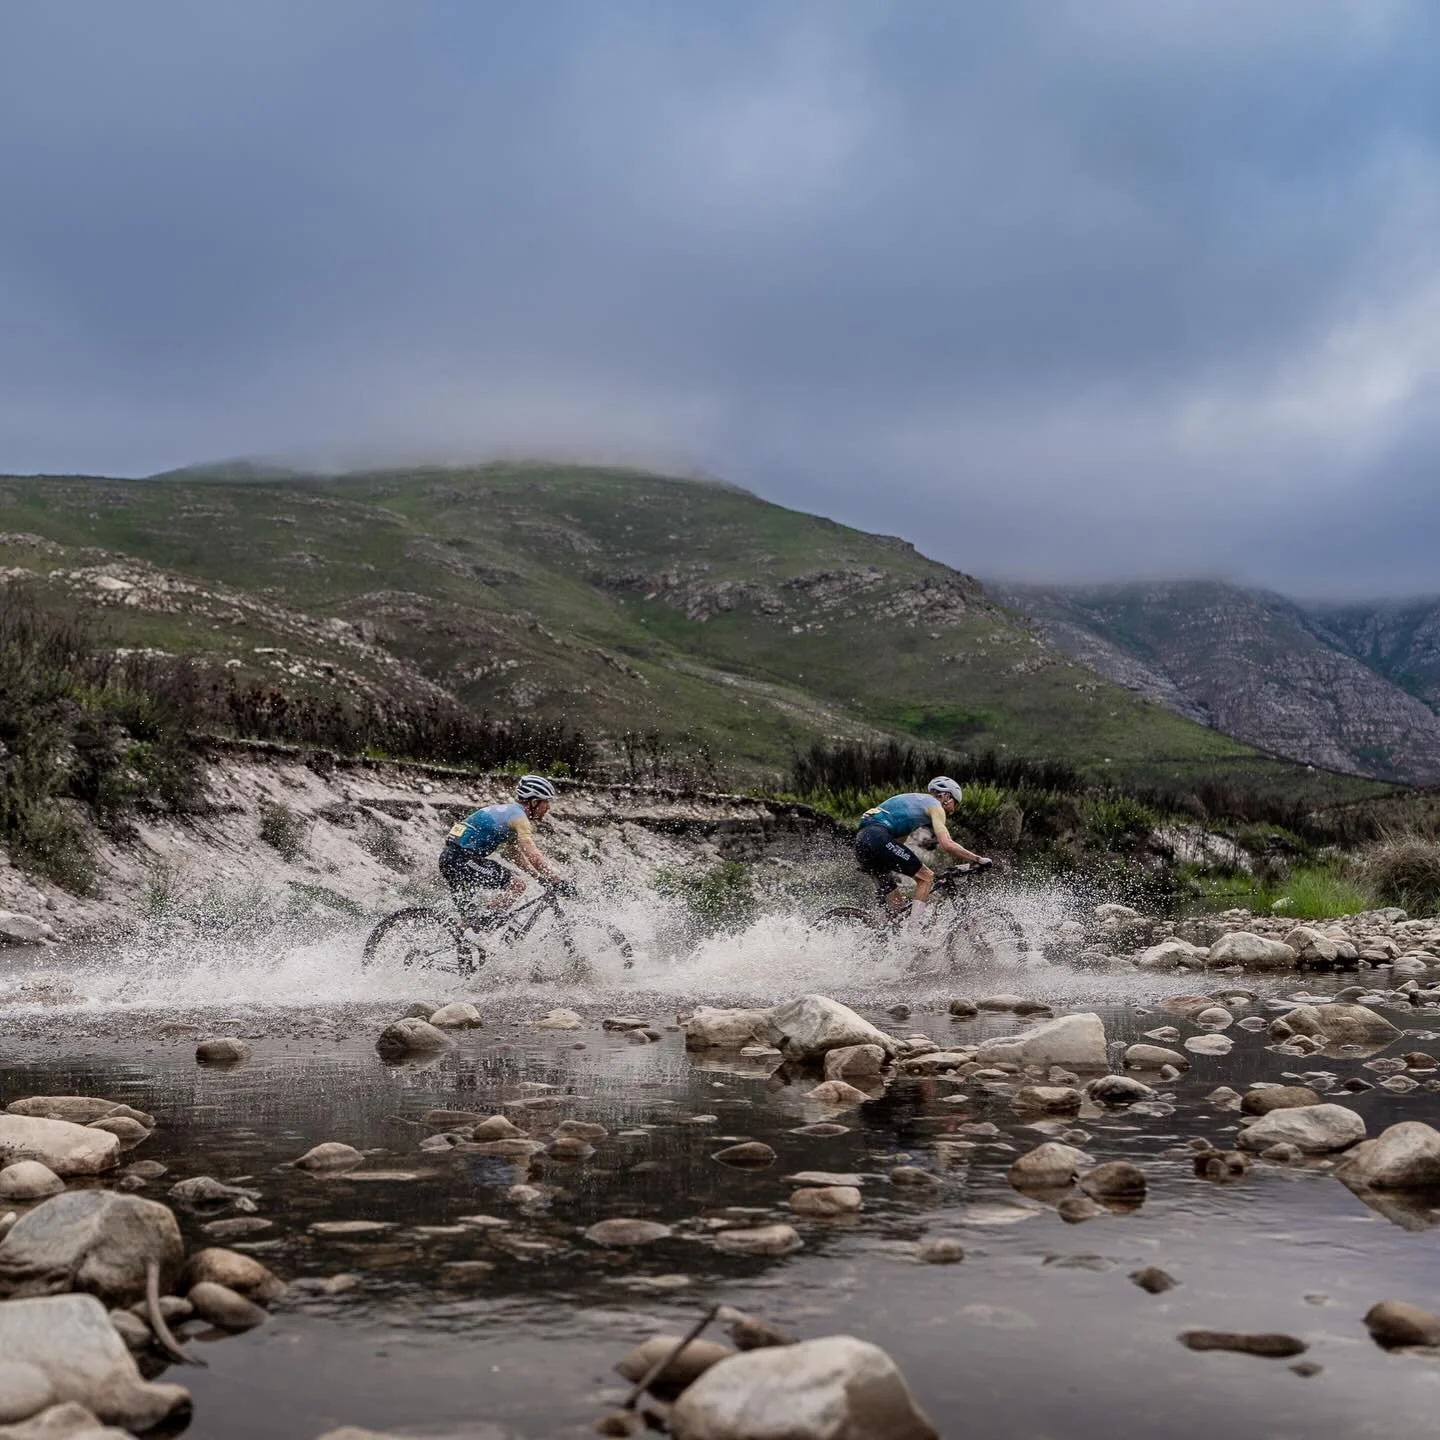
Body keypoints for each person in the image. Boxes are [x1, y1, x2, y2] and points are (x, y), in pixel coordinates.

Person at [439, 774, 572, 925]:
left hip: (451, 858)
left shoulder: (509, 812)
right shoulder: (520, 818)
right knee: (517, 885)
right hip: (462, 859)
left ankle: (468, 936)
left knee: (469, 921)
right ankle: (482, 928)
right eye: (546, 802)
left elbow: (514, 853)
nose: (548, 807)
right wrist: (556, 878)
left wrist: (539, 877)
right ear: (534, 802)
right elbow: (531, 853)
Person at [854, 776, 990, 920]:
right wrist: (978, 859)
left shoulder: (914, 805)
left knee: (896, 909)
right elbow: (947, 844)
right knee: (926, 877)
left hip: (862, 841)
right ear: (946, 796)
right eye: (954, 803)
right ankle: (914, 934)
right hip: (877, 836)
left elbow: (897, 847)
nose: (953, 809)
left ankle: (882, 934)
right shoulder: (935, 806)